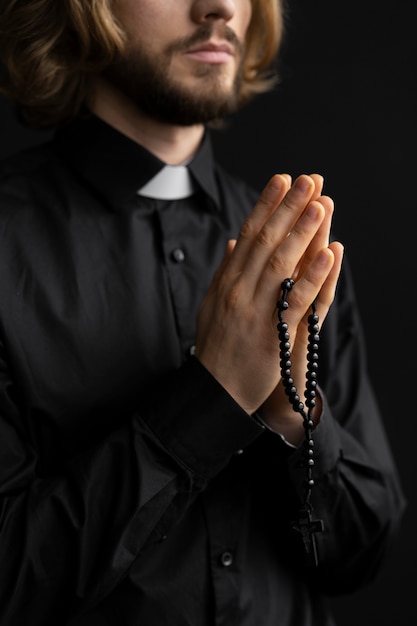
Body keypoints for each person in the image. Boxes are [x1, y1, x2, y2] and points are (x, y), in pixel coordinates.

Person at [0, 0, 406, 624]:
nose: (218, 6)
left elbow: (359, 558)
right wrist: (212, 394)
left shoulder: (301, 247)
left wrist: (294, 420)